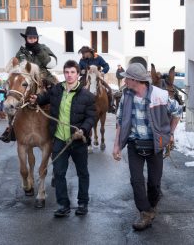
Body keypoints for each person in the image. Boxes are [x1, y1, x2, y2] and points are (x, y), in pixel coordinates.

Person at [112, 63, 182, 231]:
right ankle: (145, 212)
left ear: (135, 80)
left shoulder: (160, 95)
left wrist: (170, 133)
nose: (124, 81)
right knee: (136, 181)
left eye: (126, 78)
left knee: (154, 184)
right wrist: (116, 145)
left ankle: (150, 206)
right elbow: (120, 121)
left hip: (155, 144)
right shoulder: (126, 96)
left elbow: (177, 111)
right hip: (134, 143)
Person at [29, 60, 96, 217]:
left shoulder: (87, 96)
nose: (69, 75)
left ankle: (82, 203)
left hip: (77, 140)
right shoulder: (57, 90)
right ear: (64, 73)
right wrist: (36, 99)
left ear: (78, 74)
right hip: (59, 139)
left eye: (73, 72)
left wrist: (83, 129)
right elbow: (44, 98)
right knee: (59, 173)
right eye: (67, 72)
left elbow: (91, 117)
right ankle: (63, 205)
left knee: (82, 173)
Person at [0, 26, 58, 143]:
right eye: (30, 37)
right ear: (26, 38)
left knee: (58, 94)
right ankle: (10, 129)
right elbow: (17, 67)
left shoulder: (43, 48)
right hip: (26, 79)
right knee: (13, 98)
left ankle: (60, 126)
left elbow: (52, 64)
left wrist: (39, 51)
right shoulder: (21, 52)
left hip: (44, 77)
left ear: (37, 38)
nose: (32, 39)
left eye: (34, 37)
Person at [78, 46, 115, 113]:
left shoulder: (98, 58)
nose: (83, 55)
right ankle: (77, 107)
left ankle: (110, 106)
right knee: (76, 90)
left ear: (88, 52)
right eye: (82, 54)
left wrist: (103, 71)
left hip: (97, 78)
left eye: (83, 53)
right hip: (85, 78)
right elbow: (78, 69)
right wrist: (81, 71)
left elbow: (106, 66)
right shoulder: (82, 60)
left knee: (109, 89)